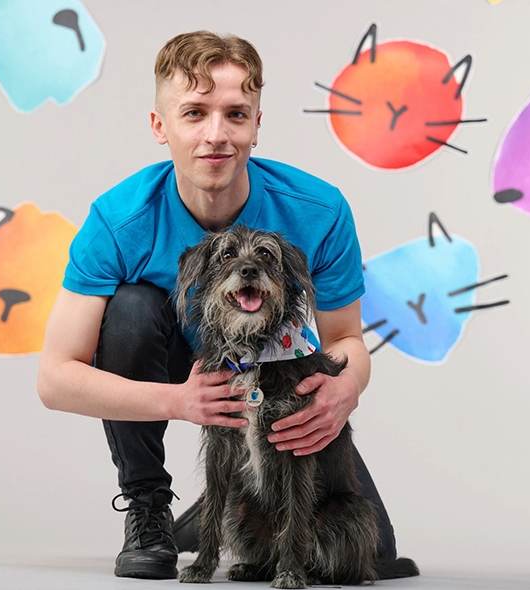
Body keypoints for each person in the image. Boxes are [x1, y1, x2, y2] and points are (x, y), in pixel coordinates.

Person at [37, 30, 399, 580]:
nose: (216, 135)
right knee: (131, 309)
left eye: (235, 114)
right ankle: (148, 507)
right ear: (160, 126)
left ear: (257, 124)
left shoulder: (320, 211)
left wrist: (347, 386)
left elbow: (347, 340)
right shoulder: (117, 221)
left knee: (370, 553)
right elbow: (55, 378)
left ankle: (229, 496)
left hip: (279, 376)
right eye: (194, 113)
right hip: (181, 372)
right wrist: (181, 401)